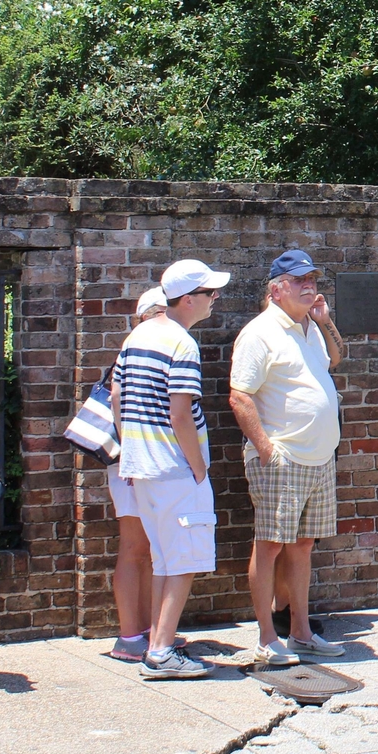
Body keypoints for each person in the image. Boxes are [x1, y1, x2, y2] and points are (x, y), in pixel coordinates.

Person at [229, 250, 348, 664]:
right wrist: (266, 449)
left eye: (312, 278)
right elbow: (239, 394)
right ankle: (266, 638)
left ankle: (300, 632)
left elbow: (336, 358)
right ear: (276, 289)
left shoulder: (310, 327)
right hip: (283, 457)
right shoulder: (260, 332)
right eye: (299, 280)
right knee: (270, 546)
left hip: (318, 458)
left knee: (302, 548)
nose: (308, 285)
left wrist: (324, 319)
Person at [115, 259, 230, 679]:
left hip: (144, 466)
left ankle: (157, 645)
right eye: (209, 293)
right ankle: (161, 651)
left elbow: (119, 399)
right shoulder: (182, 344)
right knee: (182, 562)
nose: (214, 300)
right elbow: (180, 413)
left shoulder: (138, 334)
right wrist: (199, 468)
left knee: (165, 559)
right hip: (175, 467)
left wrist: (131, 454)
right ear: (186, 299)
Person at [105, 287, 170, 664]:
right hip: (135, 459)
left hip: (142, 458)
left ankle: (147, 631)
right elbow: (117, 398)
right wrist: (131, 450)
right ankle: (130, 635)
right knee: (134, 547)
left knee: (149, 549)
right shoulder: (140, 344)